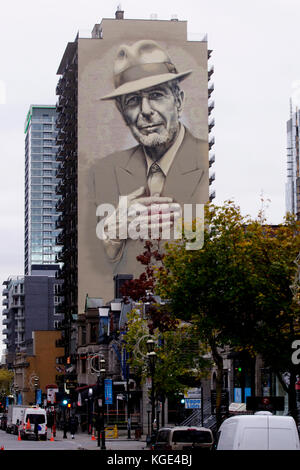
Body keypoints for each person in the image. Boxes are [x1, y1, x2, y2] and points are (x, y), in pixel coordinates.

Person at [93, 39, 209, 264]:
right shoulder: (103, 172)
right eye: (133, 100)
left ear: (179, 101)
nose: (145, 111)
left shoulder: (204, 159)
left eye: (156, 95)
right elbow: (97, 265)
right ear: (122, 111)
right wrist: (112, 240)